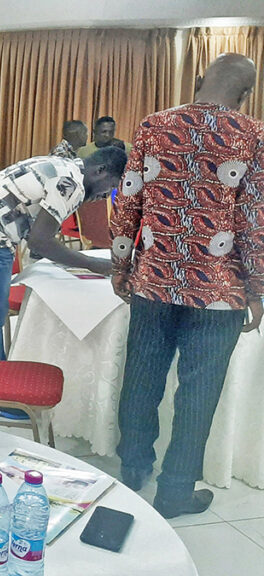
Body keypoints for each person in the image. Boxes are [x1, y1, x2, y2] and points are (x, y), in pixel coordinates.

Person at [110, 53, 264, 519]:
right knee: (198, 392)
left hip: (154, 281)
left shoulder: (154, 124)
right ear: (246, 94)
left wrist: (121, 266)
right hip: (219, 292)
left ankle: (133, 470)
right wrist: (257, 288)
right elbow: (254, 219)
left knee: (141, 378)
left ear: (199, 80)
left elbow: (127, 199)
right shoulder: (253, 135)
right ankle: (176, 491)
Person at [0, 147, 127, 360]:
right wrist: (93, 264)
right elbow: (39, 242)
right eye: (111, 186)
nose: (106, 195)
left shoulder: (67, 167)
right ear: (100, 170)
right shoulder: (71, 183)